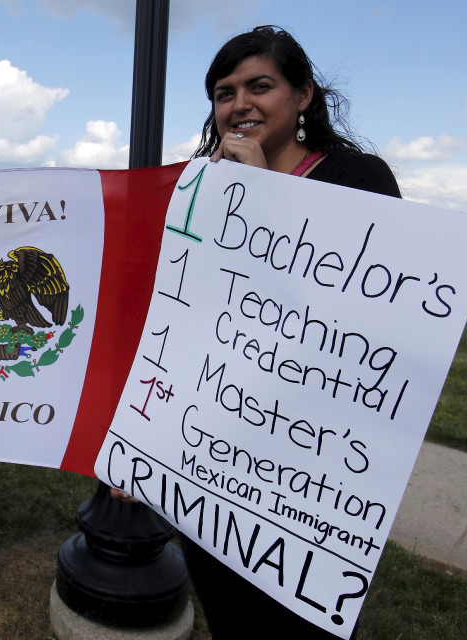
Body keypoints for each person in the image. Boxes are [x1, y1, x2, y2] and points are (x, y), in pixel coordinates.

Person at [180, 25, 401, 639]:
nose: (239, 104)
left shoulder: (359, 178)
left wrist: (263, 196)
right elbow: (183, 309)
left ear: (303, 95)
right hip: (217, 440)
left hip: (312, 456)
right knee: (232, 616)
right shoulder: (203, 184)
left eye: (260, 86)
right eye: (225, 92)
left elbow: (352, 318)